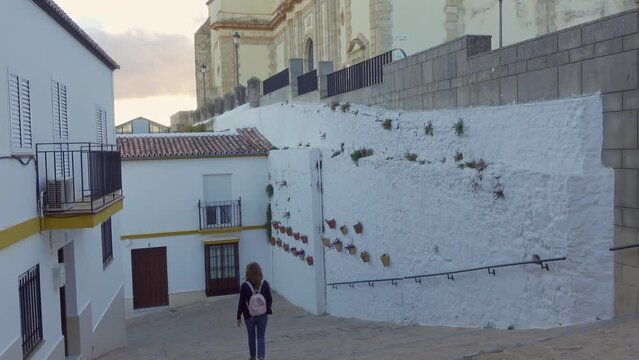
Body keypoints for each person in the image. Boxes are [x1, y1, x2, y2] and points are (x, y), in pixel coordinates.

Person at [237, 262, 272, 360]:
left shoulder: (244, 285)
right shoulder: (264, 283)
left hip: (249, 316)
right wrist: (267, 309)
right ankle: (261, 357)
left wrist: (238, 316)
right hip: (263, 315)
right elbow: (269, 299)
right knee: (261, 336)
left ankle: (252, 357)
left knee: (251, 337)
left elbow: (242, 302)